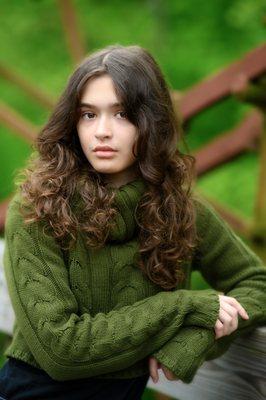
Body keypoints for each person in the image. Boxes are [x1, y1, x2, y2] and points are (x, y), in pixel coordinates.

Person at [0, 44, 265, 400]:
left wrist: (197, 338)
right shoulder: (37, 210)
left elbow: (255, 282)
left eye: (122, 114)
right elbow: (60, 351)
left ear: (151, 121)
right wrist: (184, 306)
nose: (102, 132)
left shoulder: (179, 210)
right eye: (88, 115)